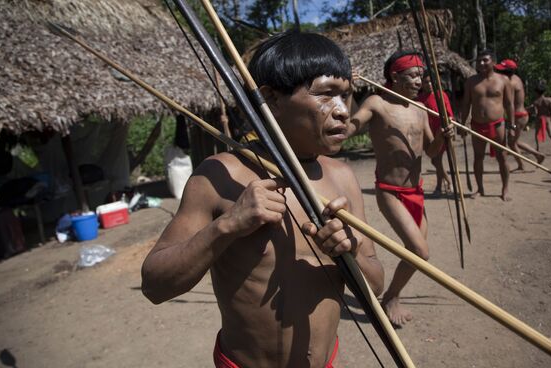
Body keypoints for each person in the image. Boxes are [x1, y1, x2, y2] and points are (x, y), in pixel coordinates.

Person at [141, 31, 384, 368]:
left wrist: (351, 250)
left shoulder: (341, 176)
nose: (343, 110)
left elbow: (376, 283)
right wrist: (228, 226)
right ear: (271, 98)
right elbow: (155, 285)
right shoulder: (220, 176)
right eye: (327, 95)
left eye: (346, 95)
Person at [349, 50, 451, 327]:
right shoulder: (377, 103)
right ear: (394, 76)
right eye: (414, 75)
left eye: (421, 75)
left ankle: (391, 296)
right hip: (390, 191)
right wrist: (347, 93)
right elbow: (348, 129)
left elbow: (431, 151)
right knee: (420, 252)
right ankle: (391, 296)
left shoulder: (420, 108)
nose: (420, 80)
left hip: (416, 191)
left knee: (416, 254)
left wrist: (443, 134)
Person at [460, 49, 514, 201]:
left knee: (502, 157)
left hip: (498, 125)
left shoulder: (503, 80)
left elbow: (509, 105)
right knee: (478, 158)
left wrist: (512, 126)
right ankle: (480, 189)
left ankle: (505, 189)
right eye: (479, 61)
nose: (481, 63)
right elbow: (466, 104)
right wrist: (462, 124)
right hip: (477, 125)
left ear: (494, 62)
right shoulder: (471, 81)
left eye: (485, 60)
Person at [494, 59, 545, 171]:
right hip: (520, 114)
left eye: (502, 70)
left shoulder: (510, 82)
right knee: (514, 141)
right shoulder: (516, 78)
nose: (499, 72)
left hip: (518, 115)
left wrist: (510, 123)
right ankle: (537, 155)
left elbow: (509, 103)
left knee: (512, 143)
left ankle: (523, 164)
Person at [416, 72, 454, 195]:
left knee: (436, 160)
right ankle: (447, 182)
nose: (429, 84)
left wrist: (449, 127)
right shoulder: (419, 98)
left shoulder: (441, 95)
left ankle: (441, 186)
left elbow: (450, 116)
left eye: (431, 81)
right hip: (428, 134)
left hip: (440, 133)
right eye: (426, 82)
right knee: (435, 160)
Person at [529, 83, 551, 154]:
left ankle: (537, 148)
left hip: (539, 118)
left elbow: (535, 112)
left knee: (537, 134)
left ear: (536, 92)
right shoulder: (549, 100)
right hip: (547, 118)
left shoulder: (536, 102)